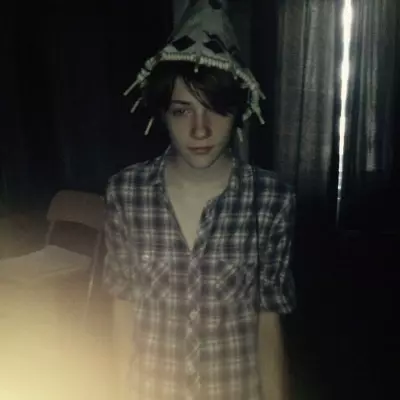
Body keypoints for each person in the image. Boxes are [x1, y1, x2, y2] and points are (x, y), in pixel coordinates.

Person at [103, 1, 296, 399]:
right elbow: (123, 310)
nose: (200, 129)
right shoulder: (126, 193)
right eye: (182, 111)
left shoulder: (270, 200)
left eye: (215, 110)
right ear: (163, 113)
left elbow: (267, 322)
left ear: (238, 112)